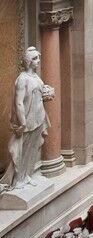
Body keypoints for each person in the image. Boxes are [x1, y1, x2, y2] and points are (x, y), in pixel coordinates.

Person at [3, 47, 54, 190]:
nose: (38, 61)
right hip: (28, 121)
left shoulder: (36, 77)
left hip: (39, 117)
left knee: (31, 149)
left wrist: (49, 93)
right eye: (35, 59)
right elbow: (18, 102)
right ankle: (17, 179)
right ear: (28, 61)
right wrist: (23, 122)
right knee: (21, 150)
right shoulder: (22, 79)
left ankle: (25, 175)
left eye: (38, 58)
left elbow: (41, 93)